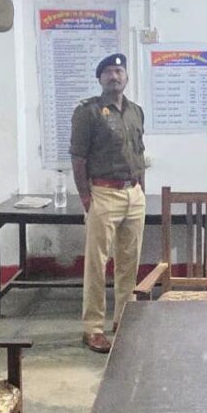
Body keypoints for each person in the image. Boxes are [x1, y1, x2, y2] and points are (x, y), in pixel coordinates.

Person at [70, 53, 146, 353]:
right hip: (103, 193)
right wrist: (86, 197)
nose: (114, 76)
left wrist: (141, 189)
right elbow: (78, 157)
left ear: (126, 77)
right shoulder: (88, 112)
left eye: (119, 71)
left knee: (129, 263)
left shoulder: (136, 111)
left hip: (133, 194)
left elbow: (139, 153)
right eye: (108, 72)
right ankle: (93, 328)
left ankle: (123, 320)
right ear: (100, 79)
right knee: (97, 265)